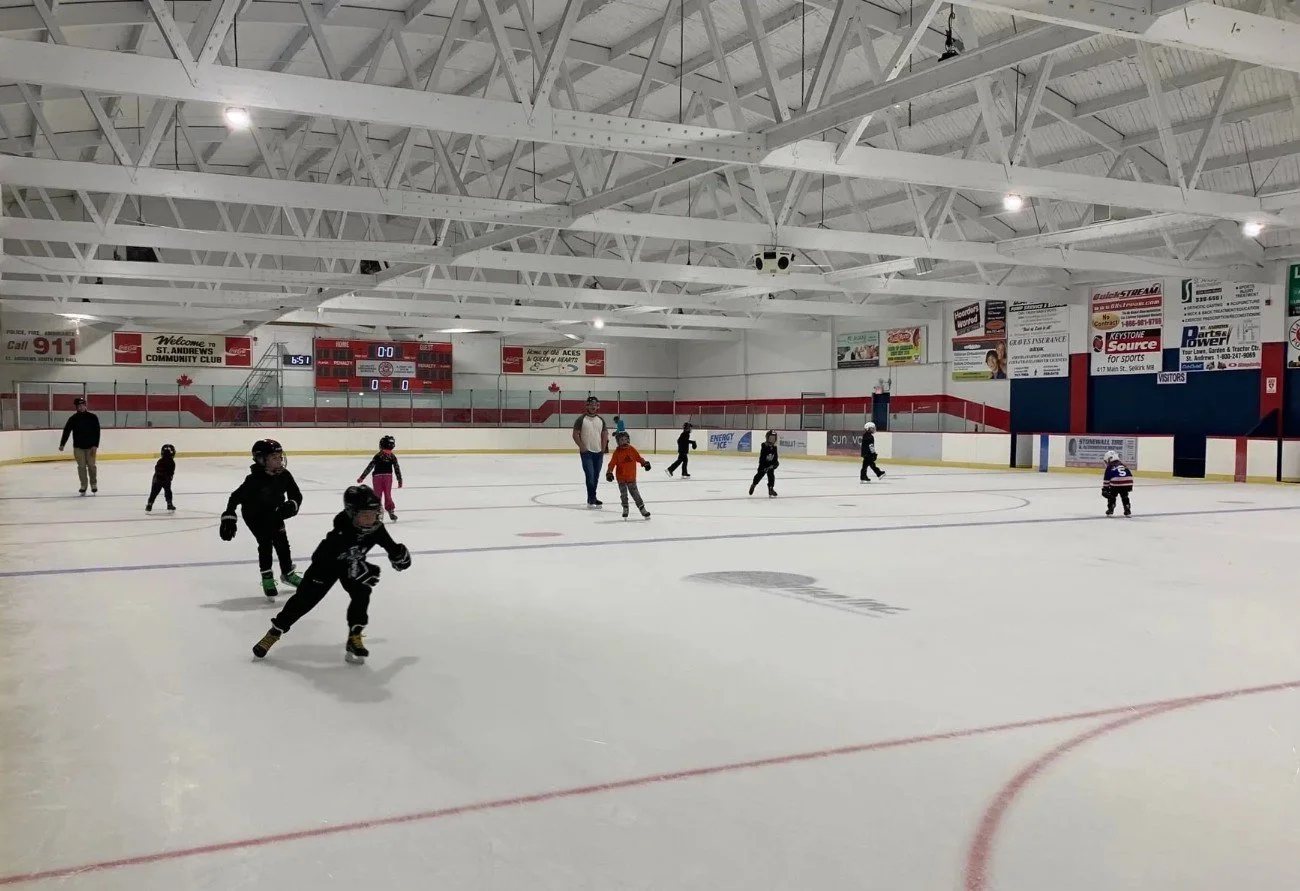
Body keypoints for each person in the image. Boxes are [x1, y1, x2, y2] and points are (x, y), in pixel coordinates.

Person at [251, 485, 412, 663]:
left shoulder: (376, 528)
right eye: (365, 514)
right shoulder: (342, 530)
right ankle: (274, 632)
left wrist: (398, 555)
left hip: (350, 565)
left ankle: (354, 637)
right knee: (303, 601)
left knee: (362, 592)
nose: (371, 518)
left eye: (374, 513)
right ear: (352, 514)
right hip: (325, 566)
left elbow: (390, 546)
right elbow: (327, 557)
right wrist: (360, 567)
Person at [219, 439, 304, 596]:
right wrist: (229, 515)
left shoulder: (284, 475)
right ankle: (267, 576)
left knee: (282, 542)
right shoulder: (253, 481)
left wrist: (292, 504)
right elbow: (235, 497)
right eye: (274, 458)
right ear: (261, 460)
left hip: (274, 512)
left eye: (280, 457)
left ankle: (287, 573)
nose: (279, 461)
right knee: (265, 542)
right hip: (254, 515)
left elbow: (296, 494)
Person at [58, 396, 101, 495]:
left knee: (91, 466)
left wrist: (95, 445)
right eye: (79, 406)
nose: (81, 407)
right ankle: (83, 485)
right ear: (76, 407)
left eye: (83, 405)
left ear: (86, 406)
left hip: (91, 447)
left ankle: (93, 484)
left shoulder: (93, 417)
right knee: (81, 467)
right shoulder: (73, 419)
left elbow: (97, 432)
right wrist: (62, 444)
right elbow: (67, 431)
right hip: (78, 447)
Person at [571, 396, 609, 508]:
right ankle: (592, 498)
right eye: (590, 404)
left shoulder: (601, 420)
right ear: (586, 405)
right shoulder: (581, 419)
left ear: (598, 406)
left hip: (598, 452)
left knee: (596, 476)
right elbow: (575, 434)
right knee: (590, 475)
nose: (593, 406)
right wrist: (582, 447)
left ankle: (592, 498)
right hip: (586, 453)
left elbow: (605, 434)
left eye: (595, 404)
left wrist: (603, 448)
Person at [605, 431, 652, 519]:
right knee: (623, 494)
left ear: (628, 440)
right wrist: (609, 472)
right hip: (621, 478)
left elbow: (638, 458)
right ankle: (625, 508)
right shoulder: (617, 452)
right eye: (621, 440)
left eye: (625, 440)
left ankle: (642, 509)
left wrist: (644, 463)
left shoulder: (632, 449)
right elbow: (612, 464)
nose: (624, 442)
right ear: (618, 442)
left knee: (635, 494)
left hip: (631, 477)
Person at [357, 434, 403, 521]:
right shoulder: (380, 456)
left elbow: (396, 468)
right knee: (379, 495)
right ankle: (379, 512)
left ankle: (389, 510)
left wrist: (399, 479)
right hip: (379, 477)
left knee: (385, 495)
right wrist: (362, 477)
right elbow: (370, 466)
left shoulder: (389, 456)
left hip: (385, 477)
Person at [1101, 449, 1133, 517]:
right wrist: (1130, 486)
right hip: (1128, 481)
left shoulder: (1110, 467)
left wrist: (1105, 488)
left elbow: (1107, 478)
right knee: (1125, 496)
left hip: (1116, 482)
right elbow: (1129, 473)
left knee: (1112, 495)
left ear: (1110, 459)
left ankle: (1111, 508)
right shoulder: (1123, 465)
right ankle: (1127, 508)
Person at [146, 443, 177, 512]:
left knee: (154, 492)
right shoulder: (172, 462)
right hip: (166, 480)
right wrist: (169, 477)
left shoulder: (160, 460)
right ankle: (169, 504)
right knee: (168, 492)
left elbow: (157, 469)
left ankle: (149, 504)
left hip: (157, 479)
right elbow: (171, 472)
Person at [749, 430, 780, 497]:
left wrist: (775, 464)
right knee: (759, 475)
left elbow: (775, 458)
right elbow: (762, 458)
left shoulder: (775, 447)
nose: (772, 440)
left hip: (770, 465)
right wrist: (764, 467)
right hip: (763, 465)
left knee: (771, 475)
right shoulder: (764, 446)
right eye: (771, 438)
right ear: (767, 438)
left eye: (774, 438)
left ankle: (771, 489)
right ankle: (753, 484)